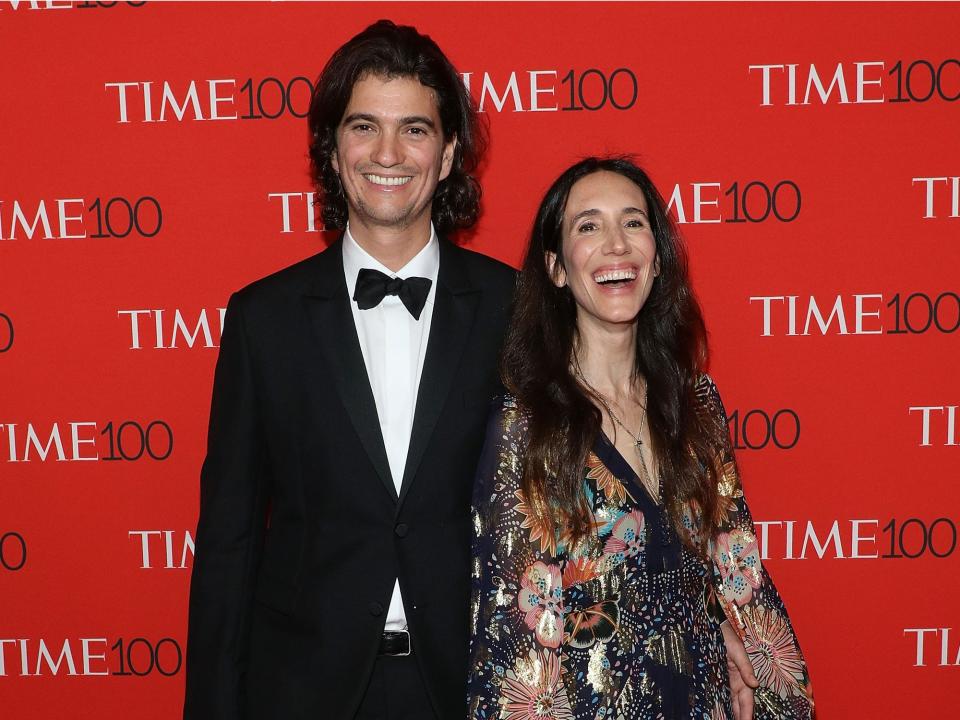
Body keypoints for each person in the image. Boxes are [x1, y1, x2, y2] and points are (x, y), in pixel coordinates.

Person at [183, 20, 515, 720]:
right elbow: (229, 541)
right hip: (303, 689)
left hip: (473, 684)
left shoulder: (515, 309)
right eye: (364, 126)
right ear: (332, 151)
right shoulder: (263, 319)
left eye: (416, 130)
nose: (388, 153)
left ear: (450, 153)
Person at [467, 157, 814, 719]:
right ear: (557, 268)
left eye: (633, 223)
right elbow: (513, 627)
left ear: (657, 260)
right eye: (588, 226)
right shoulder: (525, 425)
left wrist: (749, 656)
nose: (616, 246)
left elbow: (737, 569)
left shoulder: (696, 403)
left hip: (702, 699)